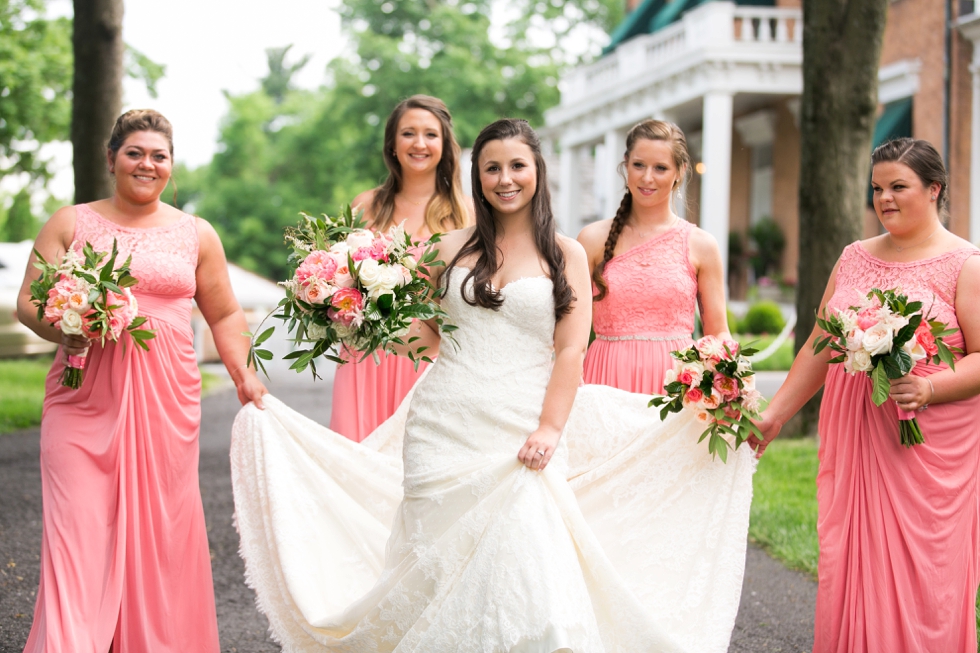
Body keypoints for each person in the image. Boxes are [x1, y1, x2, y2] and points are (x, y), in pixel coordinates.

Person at [230, 119, 756, 652]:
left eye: (517, 166)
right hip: (443, 426)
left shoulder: (566, 252)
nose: (505, 179)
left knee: (533, 582)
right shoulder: (447, 249)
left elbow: (572, 348)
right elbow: (428, 335)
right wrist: (360, 309)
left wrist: (551, 428)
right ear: (476, 178)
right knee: (438, 569)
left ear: (537, 171)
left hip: (524, 429)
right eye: (492, 168)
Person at [15, 109, 268, 652]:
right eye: (134, 153)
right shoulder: (70, 222)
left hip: (165, 404)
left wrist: (244, 375)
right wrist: (65, 327)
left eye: (159, 155)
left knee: (158, 535)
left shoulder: (196, 233)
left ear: (172, 166)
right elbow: (28, 302)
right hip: (81, 397)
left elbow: (224, 315)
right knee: (77, 531)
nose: (146, 164)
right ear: (111, 159)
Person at [749, 138, 980, 652]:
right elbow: (819, 343)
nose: (885, 198)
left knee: (925, 575)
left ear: (934, 189)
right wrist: (776, 415)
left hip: (925, 444)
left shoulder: (965, 264)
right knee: (855, 560)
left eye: (899, 186)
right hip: (857, 432)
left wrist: (929, 386)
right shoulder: (854, 257)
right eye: (877, 188)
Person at [330, 95, 471, 442]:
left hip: (430, 361)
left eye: (430, 134)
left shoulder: (467, 213)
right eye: (408, 133)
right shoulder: (365, 205)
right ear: (392, 144)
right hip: (365, 357)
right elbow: (337, 276)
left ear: (445, 144)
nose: (419, 143)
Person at [577, 120, 728, 394]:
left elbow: (717, 333)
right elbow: (570, 330)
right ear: (626, 165)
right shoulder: (591, 239)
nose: (647, 178)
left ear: (680, 171)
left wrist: (731, 381)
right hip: (604, 382)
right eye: (639, 165)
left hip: (677, 385)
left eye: (660, 168)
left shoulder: (701, 245)